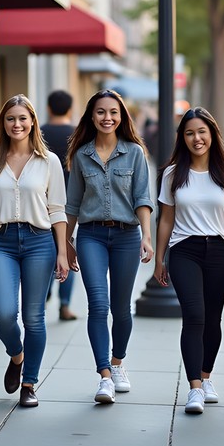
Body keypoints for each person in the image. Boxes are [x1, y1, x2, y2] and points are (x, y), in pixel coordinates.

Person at [0, 94, 68, 408]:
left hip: (40, 242)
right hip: (2, 243)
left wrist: (62, 252)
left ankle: (29, 383)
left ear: (33, 122)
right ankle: (17, 355)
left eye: (23, 118)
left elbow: (57, 210)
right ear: (3, 123)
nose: (17, 124)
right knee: (4, 316)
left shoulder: (49, 161)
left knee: (34, 318)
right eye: (11, 118)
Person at [153, 107, 224, 415]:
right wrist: (159, 258)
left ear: (212, 134)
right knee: (194, 315)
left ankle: (206, 377)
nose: (197, 138)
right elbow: (166, 220)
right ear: (182, 137)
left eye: (202, 132)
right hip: (184, 250)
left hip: (219, 250)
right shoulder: (173, 174)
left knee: (212, 319)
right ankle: (194, 387)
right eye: (190, 133)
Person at [65, 90, 154, 404]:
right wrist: (66, 242)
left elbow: (142, 198)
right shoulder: (81, 155)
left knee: (121, 308)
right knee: (98, 305)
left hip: (127, 236)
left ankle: (118, 363)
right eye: (101, 112)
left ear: (121, 117)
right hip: (90, 236)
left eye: (113, 112)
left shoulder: (134, 153)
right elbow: (72, 204)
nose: (107, 117)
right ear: (92, 116)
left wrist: (146, 236)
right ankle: (104, 375)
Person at [40, 89, 79, 321]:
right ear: (70, 109)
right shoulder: (76, 134)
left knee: (44, 250)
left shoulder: (38, 133)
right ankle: (64, 305)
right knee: (67, 250)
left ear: (48, 108)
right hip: (68, 203)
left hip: (40, 201)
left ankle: (43, 295)